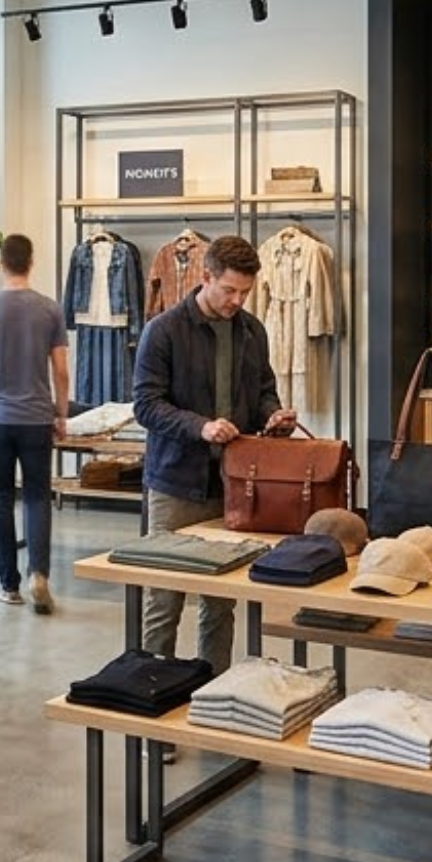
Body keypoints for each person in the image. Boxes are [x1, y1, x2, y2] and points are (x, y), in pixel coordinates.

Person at [131, 234, 294, 673]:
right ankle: (153, 694)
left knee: (221, 601)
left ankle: (211, 694)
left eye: (245, 292)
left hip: (233, 485)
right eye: (229, 290)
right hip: (174, 484)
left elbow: (263, 391)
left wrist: (275, 415)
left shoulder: (251, 330)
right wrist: (199, 426)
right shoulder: (162, 330)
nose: (237, 301)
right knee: (165, 598)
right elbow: (145, 405)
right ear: (205, 277)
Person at [0, 234, 69, 612]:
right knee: (38, 498)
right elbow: (60, 370)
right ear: (31, 262)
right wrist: (61, 414)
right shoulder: (50, 309)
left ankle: (9, 585)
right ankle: (39, 572)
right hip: (37, 418)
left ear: (0, 263)